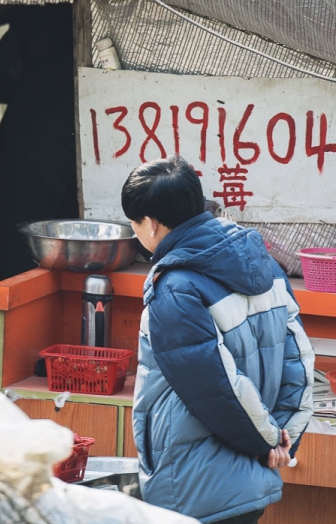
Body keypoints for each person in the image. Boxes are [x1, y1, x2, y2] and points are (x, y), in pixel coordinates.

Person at [121, 157, 315, 524]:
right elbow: (300, 362)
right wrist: (281, 440)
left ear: (150, 223)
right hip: (248, 478)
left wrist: (271, 441)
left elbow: (217, 388)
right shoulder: (267, 267)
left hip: (195, 484)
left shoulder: (176, 288)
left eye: (134, 224)